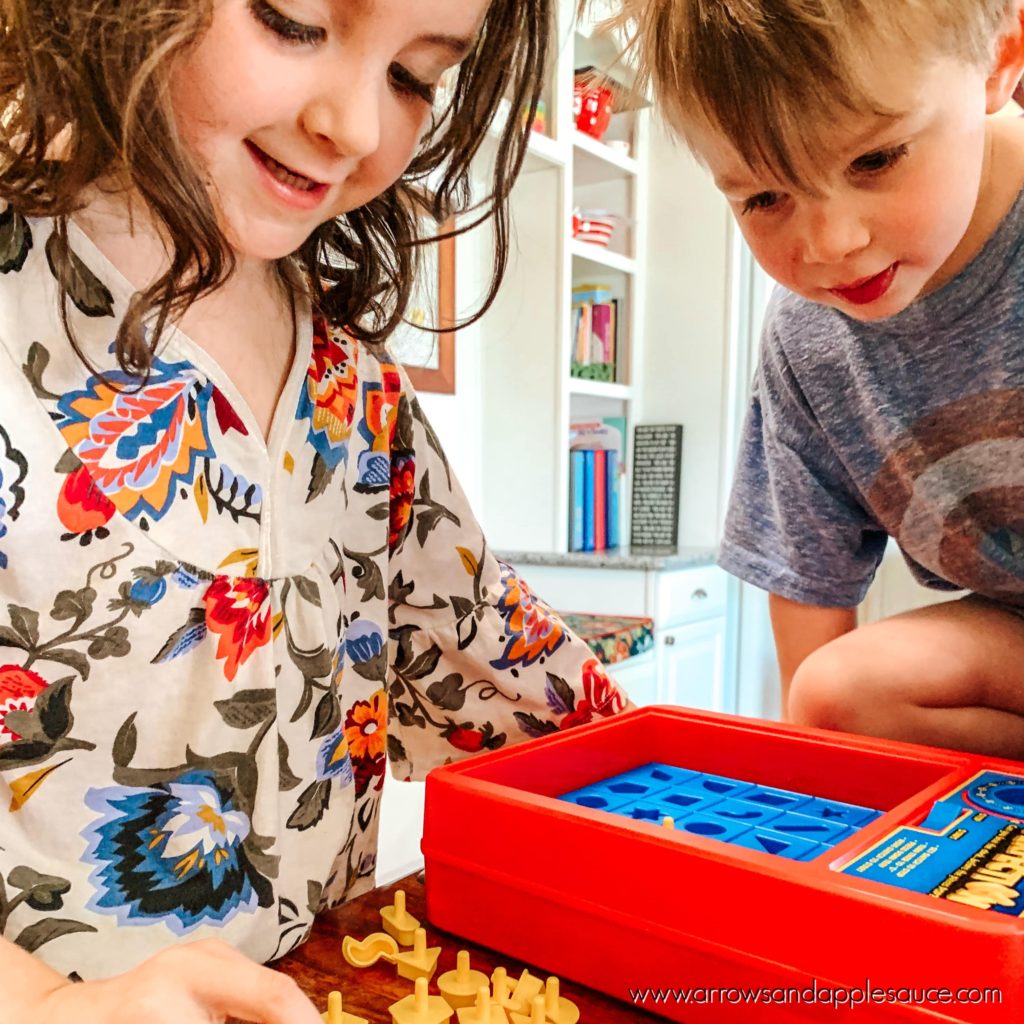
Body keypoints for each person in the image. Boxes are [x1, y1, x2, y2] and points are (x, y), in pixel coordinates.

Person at [0, 1, 630, 1020]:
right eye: (293, 20)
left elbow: (496, 662)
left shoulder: (351, 380)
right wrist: (36, 1005)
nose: (359, 126)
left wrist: (719, 802)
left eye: (415, 77)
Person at [616, 0, 1024, 757]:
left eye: (875, 160)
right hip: (1008, 637)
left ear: (1000, 58)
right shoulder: (808, 345)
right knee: (834, 696)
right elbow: (810, 624)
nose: (833, 243)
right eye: (765, 199)